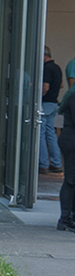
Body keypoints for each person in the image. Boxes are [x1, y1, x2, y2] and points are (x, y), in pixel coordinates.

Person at [41, 46, 64, 175]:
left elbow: (45, 86)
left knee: (41, 133)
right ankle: (56, 163)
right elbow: (61, 84)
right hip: (54, 103)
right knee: (51, 133)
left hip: (45, 103)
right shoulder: (57, 67)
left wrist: (39, 97)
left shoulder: (46, 68)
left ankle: (42, 164)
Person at [58, 87, 75, 232]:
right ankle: (65, 218)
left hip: (70, 140)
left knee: (72, 180)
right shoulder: (74, 96)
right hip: (72, 142)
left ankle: (68, 217)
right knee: (71, 180)